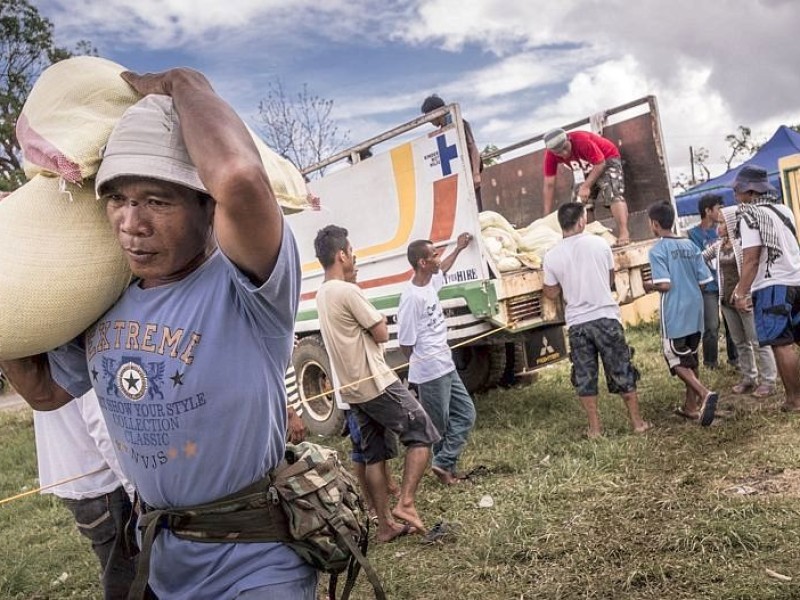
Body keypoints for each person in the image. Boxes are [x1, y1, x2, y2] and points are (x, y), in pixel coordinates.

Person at [0, 68, 316, 598]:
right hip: (164, 562)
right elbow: (44, 391)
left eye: (157, 200)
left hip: (257, 565)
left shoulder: (248, 288)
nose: (131, 222)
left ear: (207, 208)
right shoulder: (101, 299)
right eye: (118, 199)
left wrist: (184, 85)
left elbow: (239, 176)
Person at [314, 224, 440, 541]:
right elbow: (381, 331)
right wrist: (377, 321)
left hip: (353, 389)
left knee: (375, 456)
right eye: (351, 252)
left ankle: (384, 525)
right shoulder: (347, 290)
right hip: (376, 382)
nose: (353, 257)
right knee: (422, 433)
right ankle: (406, 504)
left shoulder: (322, 293)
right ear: (341, 254)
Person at [542, 202, 650, 438]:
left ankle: (595, 429)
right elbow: (611, 277)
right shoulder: (600, 244)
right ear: (581, 221)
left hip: (577, 323)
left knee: (584, 376)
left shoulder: (551, 255)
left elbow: (550, 292)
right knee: (622, 369)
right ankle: (637, 422)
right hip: (606, 317)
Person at [34, 389, 138, 599]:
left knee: (118, 568)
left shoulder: (51, 358)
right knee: (130, 580)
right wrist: (135, 489)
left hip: (81, 480)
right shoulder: (76, 356)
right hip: (108, 484)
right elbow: (103, 425)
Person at [398, 233, 477, 484]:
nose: (438, 258)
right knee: (437, 425)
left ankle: (443, 463)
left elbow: (444, 268)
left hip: (446, 364)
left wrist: (459, 248)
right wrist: (423, 362)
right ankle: (443, 467)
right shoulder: (411, 298)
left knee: (466, 413)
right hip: (430, 370)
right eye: (433, 255)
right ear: (422, 263)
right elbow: (406, 343)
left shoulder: (430, 284)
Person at [729, 165, 800, 413]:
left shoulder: (750, 216)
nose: (735, 195)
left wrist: (741, 292)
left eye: (737, 189)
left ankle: (794, 400)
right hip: (796, 278)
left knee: (781, 342)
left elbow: (751, 259)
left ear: (749, 190)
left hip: (772, 285)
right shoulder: (784, 210)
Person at [645, 202, 718, 426]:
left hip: (674, 311)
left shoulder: (657, 250)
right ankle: (691, 406)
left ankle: (704, 393)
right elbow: (705, 281)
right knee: (690, 357)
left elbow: (664, 284)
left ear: (655, 225)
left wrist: (650, 285)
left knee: (675, 358)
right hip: (695, 308)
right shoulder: (690, 245)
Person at [701, 209, 777, 397]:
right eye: (717, 223)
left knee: (758, 340)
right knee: (740, 342)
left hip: (744, 299)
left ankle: (768, 380)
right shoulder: (719, 246)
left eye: (721, 223)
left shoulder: (743, 244)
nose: (717, 227)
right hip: (726, 300)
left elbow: (752, 268)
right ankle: (749, 378)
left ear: (732, 223)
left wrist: (745, 293)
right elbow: (700, 257)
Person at [542, 128, 631, 245]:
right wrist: (546, 215)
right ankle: (591, 238)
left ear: (568, 139)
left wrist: (586, 186)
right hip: (585, 168)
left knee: (612, 192)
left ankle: (624, 233)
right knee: (578, 204)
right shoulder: (550, 155)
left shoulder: (581, 141)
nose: (564, 153)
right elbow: (549, 184)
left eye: (565, 148)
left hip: (606, 159)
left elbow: (600, 163)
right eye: (559, 152)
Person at [421, 94, 484, 211]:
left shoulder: (459, 122)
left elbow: (472, 147)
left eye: (429, 116)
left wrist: (475, 174)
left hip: (469, 173)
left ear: (436, 112)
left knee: (476, 210)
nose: (429, 121)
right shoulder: (442, 131)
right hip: (457, 178)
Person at [688, 194, 725, 369]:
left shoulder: (724, 229)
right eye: (718, 208)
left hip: (726, 282)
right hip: (708, 286)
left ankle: (735, 358)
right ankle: (711, 362)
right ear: (707, 211)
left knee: (732, 326)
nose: (721, 212)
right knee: (711, 326)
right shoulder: (692, 235)